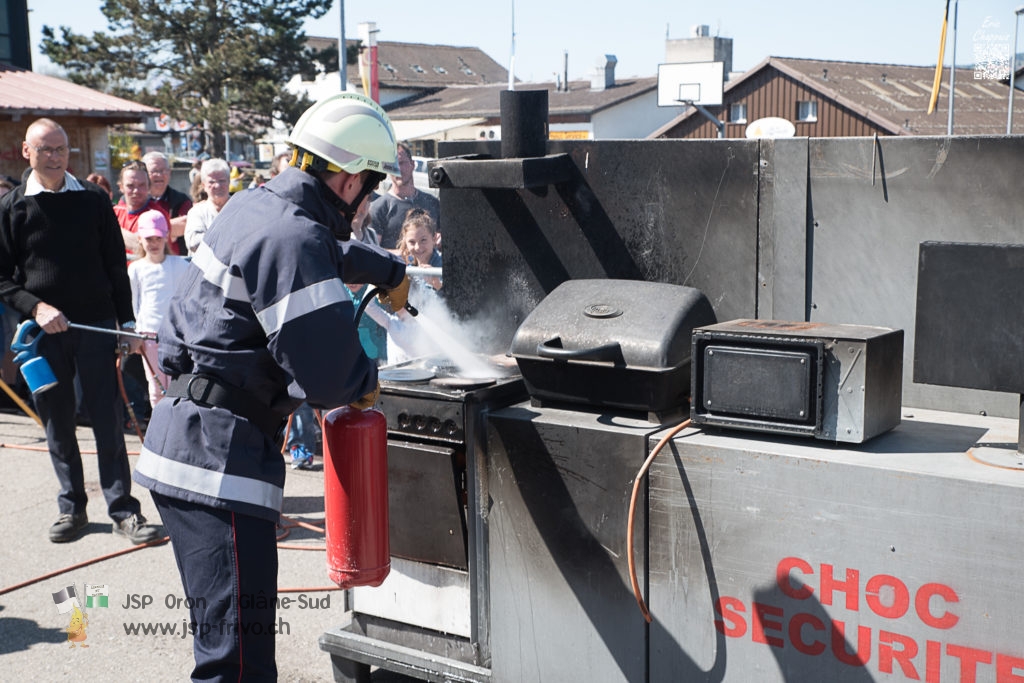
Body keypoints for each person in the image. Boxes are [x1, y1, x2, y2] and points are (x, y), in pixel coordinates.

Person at [133, 92, 412, 680]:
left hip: (184, 444)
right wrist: (367, 380)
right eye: (369, 185)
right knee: (237, 664)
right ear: (345, 180)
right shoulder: (294, 238)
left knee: (227, 647)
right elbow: (331, 376)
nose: (368, 202)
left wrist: (385, 269)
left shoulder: (254, 206)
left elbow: (322, 253)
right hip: (219, 463)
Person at [0, 118, 160, 545]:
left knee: (108, 420)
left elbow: (114, 267)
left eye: (61, 148)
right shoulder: (12, 208)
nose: (55, 156)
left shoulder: (93, 200)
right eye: (46, 149)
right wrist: (36, 307)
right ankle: (71, 507)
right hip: (42, 336)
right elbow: (2, 280)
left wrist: (126, 325)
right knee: (57, 420)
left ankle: (124, 510)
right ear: (26, 153)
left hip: (96, 328)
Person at [127, 210, 189, 408]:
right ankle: (159, 433)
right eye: (149, 239)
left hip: (176, 336)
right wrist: (135, 333)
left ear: (166, 238)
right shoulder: (136, 268)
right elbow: (134, 303)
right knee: (156, 388)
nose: (154, 243)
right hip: (149, 335)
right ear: (140, 240)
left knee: (178, 387)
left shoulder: (180, 265)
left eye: (158, 238)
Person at [369, 142, 440, 249]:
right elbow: (374, 251)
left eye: (401, 163)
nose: (398, 169)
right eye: (393, 165)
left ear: (413, 164)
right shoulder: (377, 208)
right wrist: (405, 256)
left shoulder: (432, 203)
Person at [113, 161, 171, 259]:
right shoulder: (114, 212)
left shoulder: (157, 215)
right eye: (130, 186)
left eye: (142, 185)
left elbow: (141, 245)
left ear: (149, 187)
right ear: (121, 187)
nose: (136, 191)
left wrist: (111, 229)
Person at [142, 151, 191, 255]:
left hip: (174, 262)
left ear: (170, 173)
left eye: (163, 170)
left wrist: (147, 230)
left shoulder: (181, 200)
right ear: (144, 173)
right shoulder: (136, 199)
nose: (159, 175)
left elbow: (185, 225)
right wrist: (170, 227)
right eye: (154, 171)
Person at [183, 158, 231, 255]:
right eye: (212, 182)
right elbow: (193, 243)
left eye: (222, 181)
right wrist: (229, 238)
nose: (217, 185)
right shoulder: (197, 212)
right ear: (204, 185)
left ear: (229, 182)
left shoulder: (241, 209)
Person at [396, 207, 443, 290]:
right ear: (405, 241)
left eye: (423, 240)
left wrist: (438, 285)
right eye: (412, 242)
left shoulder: (445, 266)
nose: (417, 247)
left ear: (434, 238)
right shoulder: (407, 265)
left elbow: (460, 299)